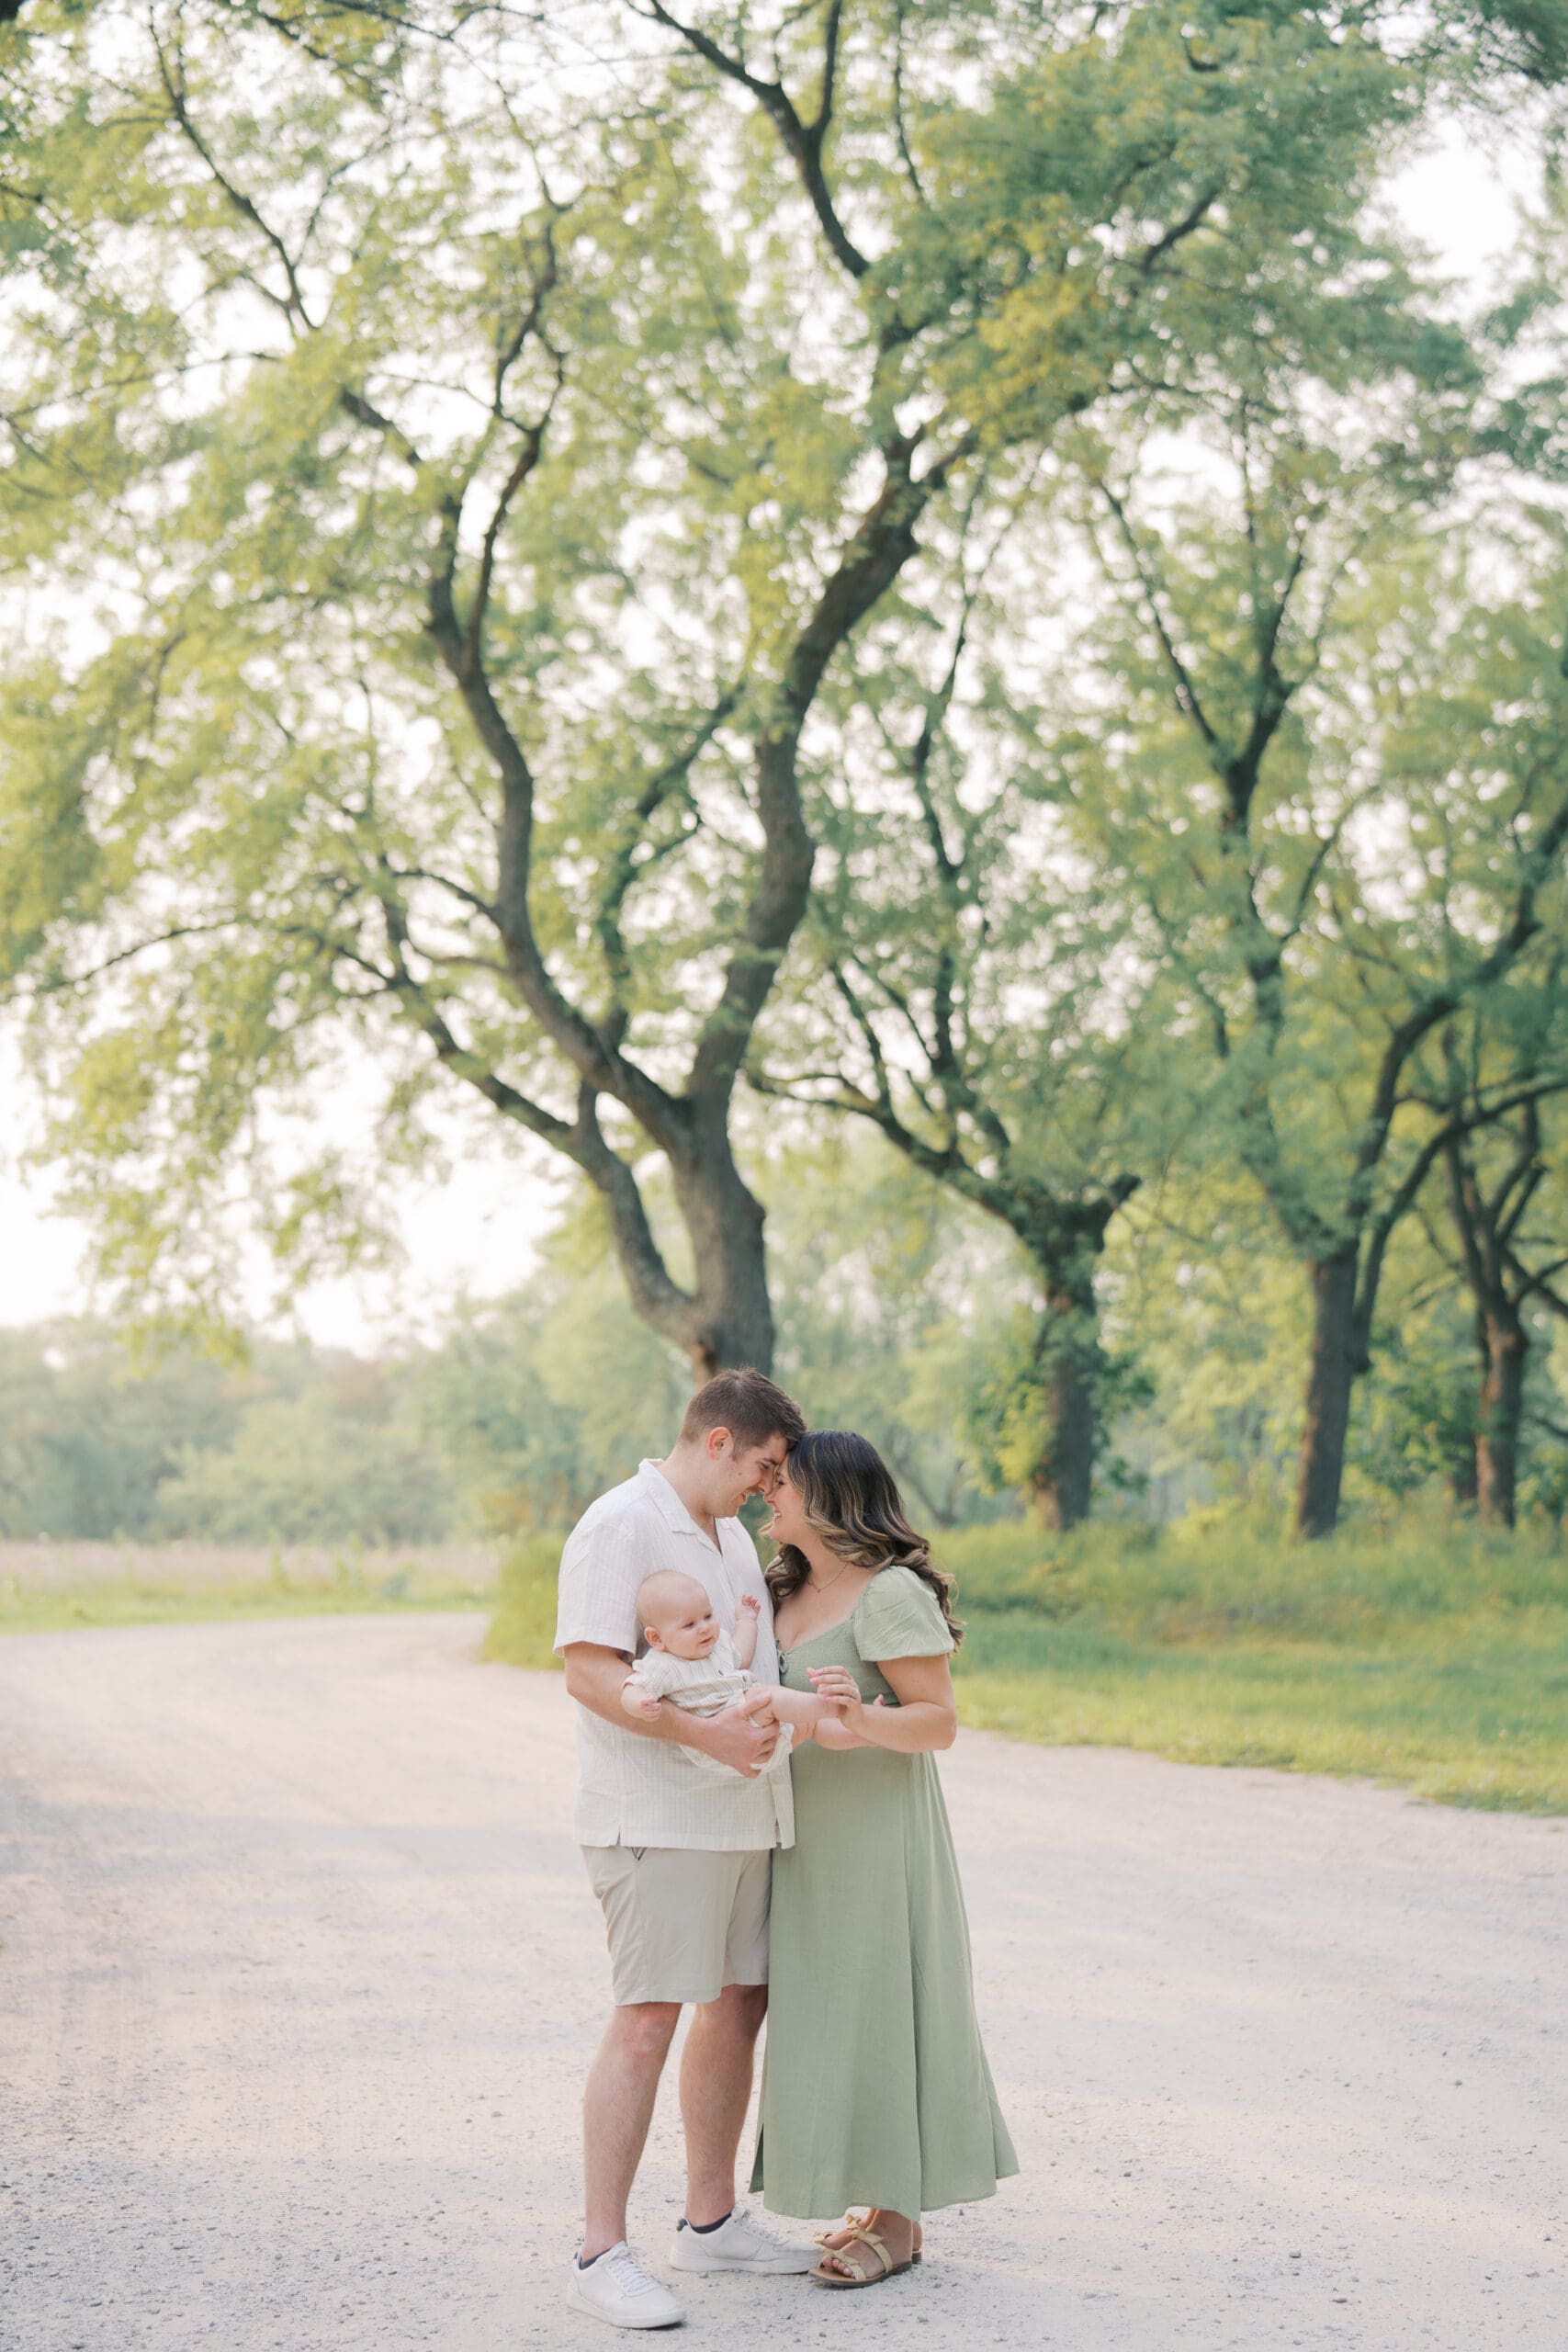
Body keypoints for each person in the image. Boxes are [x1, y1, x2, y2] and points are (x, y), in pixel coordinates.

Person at [555, 1369, 820, 2330]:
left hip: (741, 1819)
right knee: (646, 2019)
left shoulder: (736, 1537)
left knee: (739, 2003)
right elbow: (590, 1671)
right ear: (717, 1442)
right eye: (763, 1463)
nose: (766, 1483)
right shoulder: (620, 1522)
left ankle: (709, 2222)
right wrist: (706, 1740)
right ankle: (599, 2250)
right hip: (657, 1819)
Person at [750, 1428, 1019, 2288]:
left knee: (882, 2002)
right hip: (800, 1838)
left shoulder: (889, 1591)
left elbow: (936, 1721)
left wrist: (860, 1719)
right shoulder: (783, 1591)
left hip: (875, 1840)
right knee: (828, 2012)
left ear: (829, 1496)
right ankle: (867, 2198)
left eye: (782, 1481)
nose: (768, 1492)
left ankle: (898, 2223)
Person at [619, 1570, 843, 1774]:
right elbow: (630, 1688)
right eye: (689, 1625)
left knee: (811, 1726)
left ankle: (859, 1726)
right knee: (765, 1698)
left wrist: (746, 1620)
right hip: (722, 1742)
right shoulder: (662, 1665)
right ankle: (831, 1705)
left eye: (707, 1616)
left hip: (760, 1736)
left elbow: (742, 1656)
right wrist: (639, 1703)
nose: (705, 1627)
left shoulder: (717, 1646)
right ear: (656, 1638)